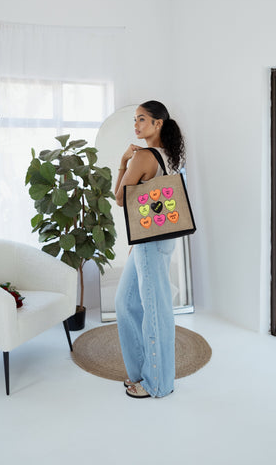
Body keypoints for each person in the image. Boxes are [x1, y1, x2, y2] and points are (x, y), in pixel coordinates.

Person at [114, 100, 185, 398]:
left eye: (142, 119)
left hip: (150, 242)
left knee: (155, 310)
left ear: (158, 123)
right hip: (156, 239)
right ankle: (141, 372)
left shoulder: (143, 157)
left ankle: (158, 383)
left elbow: (120, 198)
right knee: (125, 302)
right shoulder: (170, 155)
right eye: (135, 120)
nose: (136, 125)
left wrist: (122, 163)